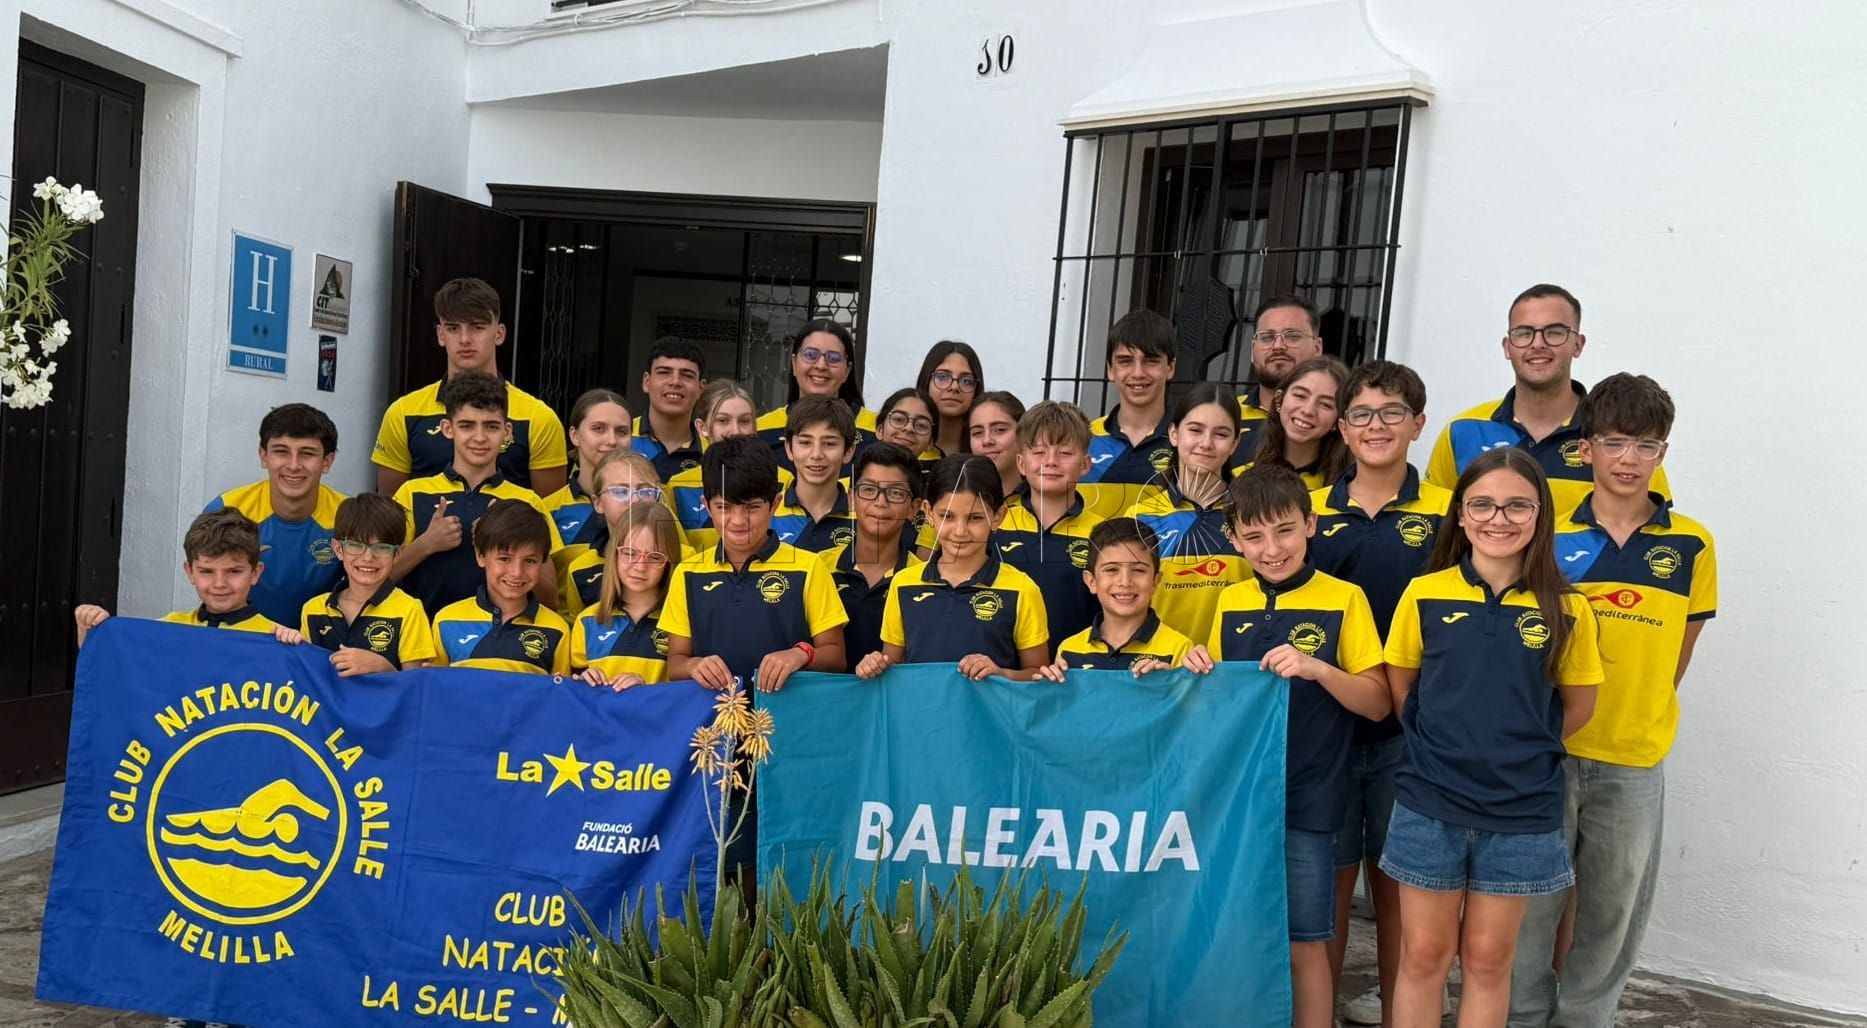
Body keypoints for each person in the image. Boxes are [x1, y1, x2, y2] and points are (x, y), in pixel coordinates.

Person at [1509, 374, 1717, 1026]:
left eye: (1646, 445)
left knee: (1611, 912)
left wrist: (1634, 713)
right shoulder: (1543, 535)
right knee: (1527, 908)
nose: (1629, 459)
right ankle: (1520, 1018)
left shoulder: (1692, 545)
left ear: (1663, 453)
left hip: (1633, 759)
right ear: (1586, 449)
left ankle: (1585, 1020)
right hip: (1546, 752)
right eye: (1615, 442)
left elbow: (1676, 656)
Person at [1380, 448, 1603, 1028]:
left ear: (1540, 514)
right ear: (1460, 513)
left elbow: (1578, 707)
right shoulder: (1424, 594)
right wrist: (1448, 745)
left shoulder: (1570, 609)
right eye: (1481, 504)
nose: (1498, 519)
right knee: (1423, 954)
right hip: (1431, 801)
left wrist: (1516, 748)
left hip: (1521, 809)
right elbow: (1403, 687)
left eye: (1516, 506)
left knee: (1488, 959)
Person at [1194, 464, 1389, 1028]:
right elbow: (1215, 704)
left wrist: (1318, 669)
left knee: (1306, 943)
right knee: (1236, 933)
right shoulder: (1229, 600)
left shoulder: (1345, 598)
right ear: (1233, 540)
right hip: (1240, 807)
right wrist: (1193, 668)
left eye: (1284, 530)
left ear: (1310, 524)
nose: (1272, 548)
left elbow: (1378, 703)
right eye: (1254, 536)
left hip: (1310, 801)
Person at [1308, 360, 1452, 1027]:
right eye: (1361, 414)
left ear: (1417, 424)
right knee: (1327, 896)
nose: (1376, 426)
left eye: (1391, 413)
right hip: (1328, 733)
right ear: (1341, 427)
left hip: (1409, 737)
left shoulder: (1449, 511)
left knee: (1400, 897)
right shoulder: (1309, 512)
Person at [660, 436, 848, 877]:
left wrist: (800, 654)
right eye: (725, 507)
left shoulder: (809, 568)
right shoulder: (688, 573)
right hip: (718, 748)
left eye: (752, 507)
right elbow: (675, 663)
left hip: (790, 745)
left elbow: (836, 655)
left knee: (782, 865)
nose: (739, 520)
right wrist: (694, 665)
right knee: (725, 865)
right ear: (706, 506)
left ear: (776, 503)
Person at [1427, 283, 1669, 513]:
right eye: (1524, 333)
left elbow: (1649, 531)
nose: (1538, 344)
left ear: (1578, 344)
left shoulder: (1621, 437)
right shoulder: (1463, 430)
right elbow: (1437, 522)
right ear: (1507, 347)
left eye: (1554, 333)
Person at [857, 455, 1049, 683]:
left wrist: (1001, 673)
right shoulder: (903, 583)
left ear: (998, 517)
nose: (959, 531)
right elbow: (893, 666)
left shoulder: (1022, 589)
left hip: (987, 709)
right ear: (929, 513)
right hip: (919, 707)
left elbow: (1038, 675)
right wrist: (875, 665)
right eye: (947, 516)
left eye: (975, 518)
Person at [372, 277, 567, 495]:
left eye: (477, 327)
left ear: (499, 334)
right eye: (453, 328)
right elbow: (389, 508)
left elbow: (550, 509)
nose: (465, 339)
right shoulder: (403, 413)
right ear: (440, 335)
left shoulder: (539, 419)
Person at [390, 372, 562, 616]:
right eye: (467, 426)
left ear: (508, 431)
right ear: (447, 428)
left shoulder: (527, 501)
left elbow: (551, 599)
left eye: (491, 426)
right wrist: (426, 544)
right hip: (425, 635)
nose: (479, 438)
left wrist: (503, 540)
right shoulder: (412, 492)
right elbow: (379, 578)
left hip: (502, 637)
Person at [204, 403, 346, 626]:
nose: (294, 465)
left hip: (318, 642)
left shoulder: (348, 515)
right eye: (281, 452)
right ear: (264, 456)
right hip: (242, 636)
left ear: (327, 461)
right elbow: (211, 586)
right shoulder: (227, 510)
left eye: (307, 454)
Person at [1127, 381, 1247, 645]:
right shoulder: (1138, 516)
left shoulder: (1251, 514)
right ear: (1174, 434)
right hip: (1159, 662)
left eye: (1221, 434)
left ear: (1235, 443)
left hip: (1231, 664)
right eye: (1195, 430)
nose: (1206, 443)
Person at [75, 510, 297, 646]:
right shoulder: (169, 627)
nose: (220, 584)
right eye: (207, 571)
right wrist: (90, 630)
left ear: (255, 573)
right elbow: (110, 668)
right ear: (189, 572)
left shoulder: (275, 637)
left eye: (233, 571)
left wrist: (299, 650)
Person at [997, 400, 1107, 643]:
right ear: (1021, 463)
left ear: (1085, 464)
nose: (1051, 461)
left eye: (1065, 453)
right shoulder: (995, 525)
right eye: (1039, 452)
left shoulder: (1103, 534)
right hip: (1000, 664)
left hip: (1074, 663)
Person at [1038, 517, 1193, 678]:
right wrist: (1049, 686)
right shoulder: (1069, 650)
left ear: (1155, 581)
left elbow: (1183, 695)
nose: (1125, 582)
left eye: (1138, 570)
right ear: (1091, 581)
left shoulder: (1180, 649)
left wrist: (1168, 684)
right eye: (1111, 569)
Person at [429, 499, 571, 675]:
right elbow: (436, 686)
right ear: (481, 556)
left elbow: (560, 690)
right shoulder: (446, 621)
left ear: (542, 562)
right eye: (504, 559)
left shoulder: (557, 629)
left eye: (530, 561)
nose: (516, 572)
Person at [299, 493, 436, 674]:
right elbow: (305, 677)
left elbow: (416, 684)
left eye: (381, 548)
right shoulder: (313, 609)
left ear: (398, 553)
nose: (368, 557)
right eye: (356, 545)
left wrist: (382, 667)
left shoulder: (410, 610)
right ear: (338, 549)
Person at [820, 442, 924, 667]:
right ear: (851, 498)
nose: (880, 502)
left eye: (895, 493)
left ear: (914, 508)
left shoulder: (924, 580)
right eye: (868, 490)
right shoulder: (818, 569)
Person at [572, 501, 684, 691]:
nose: (640, 567)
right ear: (613, 554)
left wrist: (644, 690)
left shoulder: (681, 622)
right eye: (630, 553)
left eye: (655, 557)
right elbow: (571, 695)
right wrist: (583, 680)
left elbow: (688, 695)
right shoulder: (587, 621)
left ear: (669, 562)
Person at [1083, 309, 1177, 509]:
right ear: (1110, 369)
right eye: (1125, 361)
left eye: (1151, 361)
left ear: (1170, 368)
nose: (1138, 373)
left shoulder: (1190, 441)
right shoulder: (1084, 439)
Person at [544, 388, 633, 598]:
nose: (611, 440)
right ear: (575, 435)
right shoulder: (547, 509)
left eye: (621, 432)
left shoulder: (651, 501)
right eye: (598, 429)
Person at [557, 451, 667, 619]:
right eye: (620, 491)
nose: (635, 501)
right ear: (598, 503)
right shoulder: (580, 569)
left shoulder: (681, 557)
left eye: (646, 491)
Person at [754, 319, 875, 470]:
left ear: (847, 370)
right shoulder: (760, 431)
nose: (821, 365)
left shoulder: (877, 432)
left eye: (833, 358)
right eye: (810, 355)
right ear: (794, 363)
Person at [669, 378, 771, 553]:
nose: (735, 431)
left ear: (755, 427)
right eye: (723, 421)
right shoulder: (678, 486)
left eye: (744, 421)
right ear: (702, 427)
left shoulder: (782, 479)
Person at [1235, 293, 1326, 466]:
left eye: (1292, 336)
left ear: (1317, 348)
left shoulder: (1334, 420)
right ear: (1253, 350)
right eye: (1267, 337)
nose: (1278, 346)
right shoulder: (1227, 414)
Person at [1246, 356, 1351, 489]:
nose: (1308, 410)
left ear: (1338, 421)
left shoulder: (1347, 488)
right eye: (1300, 396)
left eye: (1325, 404)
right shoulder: (1239, 471)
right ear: (1279, 399)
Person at [772, 396, 859, 552]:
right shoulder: (768, 512)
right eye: (805, 442)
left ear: (848, 451)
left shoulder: (865, 517)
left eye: (829, 444)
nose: (816, 454)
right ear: (789, 448)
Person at [632, 336, 707, 480]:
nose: (675, 382)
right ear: (647, 382)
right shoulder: (619, 437)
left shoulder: (712, 449)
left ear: (700, 388)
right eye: (664, 372)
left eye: (687, 375)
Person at [917, 340, 984, 457]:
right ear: (926, 380)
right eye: (942, 377)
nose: (954, 387)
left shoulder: (987, 448)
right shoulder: (906, 440)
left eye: (966, 381)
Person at [968, 391, 1025, 499]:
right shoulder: (956, 499)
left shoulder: (1042, 499)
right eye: (977, 432)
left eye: (999, 430)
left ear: (1023, 433)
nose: (987, 441)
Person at [874, 387, 942, 476]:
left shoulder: (935, 484)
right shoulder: (858, 478)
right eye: (899, 419)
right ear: (880, 430)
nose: (909, 428)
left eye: (921, 425)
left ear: (930, 442)